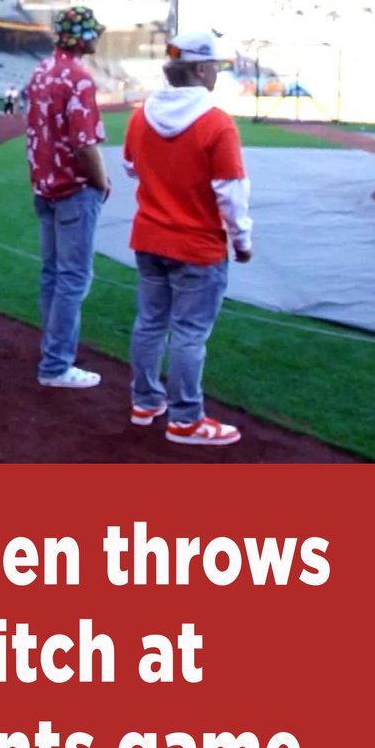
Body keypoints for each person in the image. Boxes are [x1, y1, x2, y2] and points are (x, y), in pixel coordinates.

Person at [122, 30, 253, 446]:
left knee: (150, 324)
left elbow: (130, 166)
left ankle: (145, 401)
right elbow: (231, 192)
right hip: (197, 245)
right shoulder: (216, 122)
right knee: (189, 333)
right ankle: (185, 419)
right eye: (214, 65)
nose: (216, 72)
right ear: (200, 68)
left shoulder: (142, 114)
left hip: (149, 237)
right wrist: (242, 240)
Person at [23, 4, 110, 390]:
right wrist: (102, 181)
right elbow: (84, 144)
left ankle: (54, 349)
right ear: (82, 37)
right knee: (73, 279)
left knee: (53, 275)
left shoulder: (41, 72)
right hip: (74, 190)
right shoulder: (78, 78)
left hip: (44, 187)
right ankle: (57, 363)